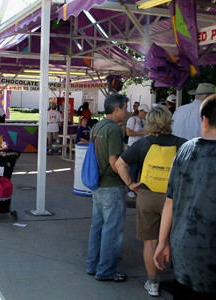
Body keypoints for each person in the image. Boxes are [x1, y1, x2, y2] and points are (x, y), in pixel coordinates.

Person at [154, 93, 216, 299]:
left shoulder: (184, 150)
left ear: (205, 120)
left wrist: (162, 241)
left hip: (182, 251)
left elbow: (169, 201)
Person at [115, 105, 187, 297]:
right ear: (168, 121)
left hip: (146, 196)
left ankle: (153, 283)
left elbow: (120, 164)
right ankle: (180, 279)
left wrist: (131, 184)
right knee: (174, 239)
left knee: (150, 241)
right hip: (172, 198)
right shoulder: (183, 144)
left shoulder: (143, 144)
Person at [86, 93, 129, 282]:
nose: (127, 111)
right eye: (126, 108)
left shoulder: (97, 126)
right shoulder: (114, 130)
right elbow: (114, 162)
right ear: (117, 108)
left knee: (97, 227)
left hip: (98, 184)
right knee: (112, 230)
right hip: (112, 186)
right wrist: (129, 182)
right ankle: (106, 271)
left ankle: (92, 265)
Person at [125, 103, 149, 198]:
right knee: (134, 169)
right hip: (133, 147)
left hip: (142, 147)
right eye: (145, 112)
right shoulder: (132, 120)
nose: (145, 115)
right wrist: (141, 132)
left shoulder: (145, 121)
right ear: (141, 111)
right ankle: (131, 188)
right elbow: (129, 132)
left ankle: (139, 188)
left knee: (141, 168)